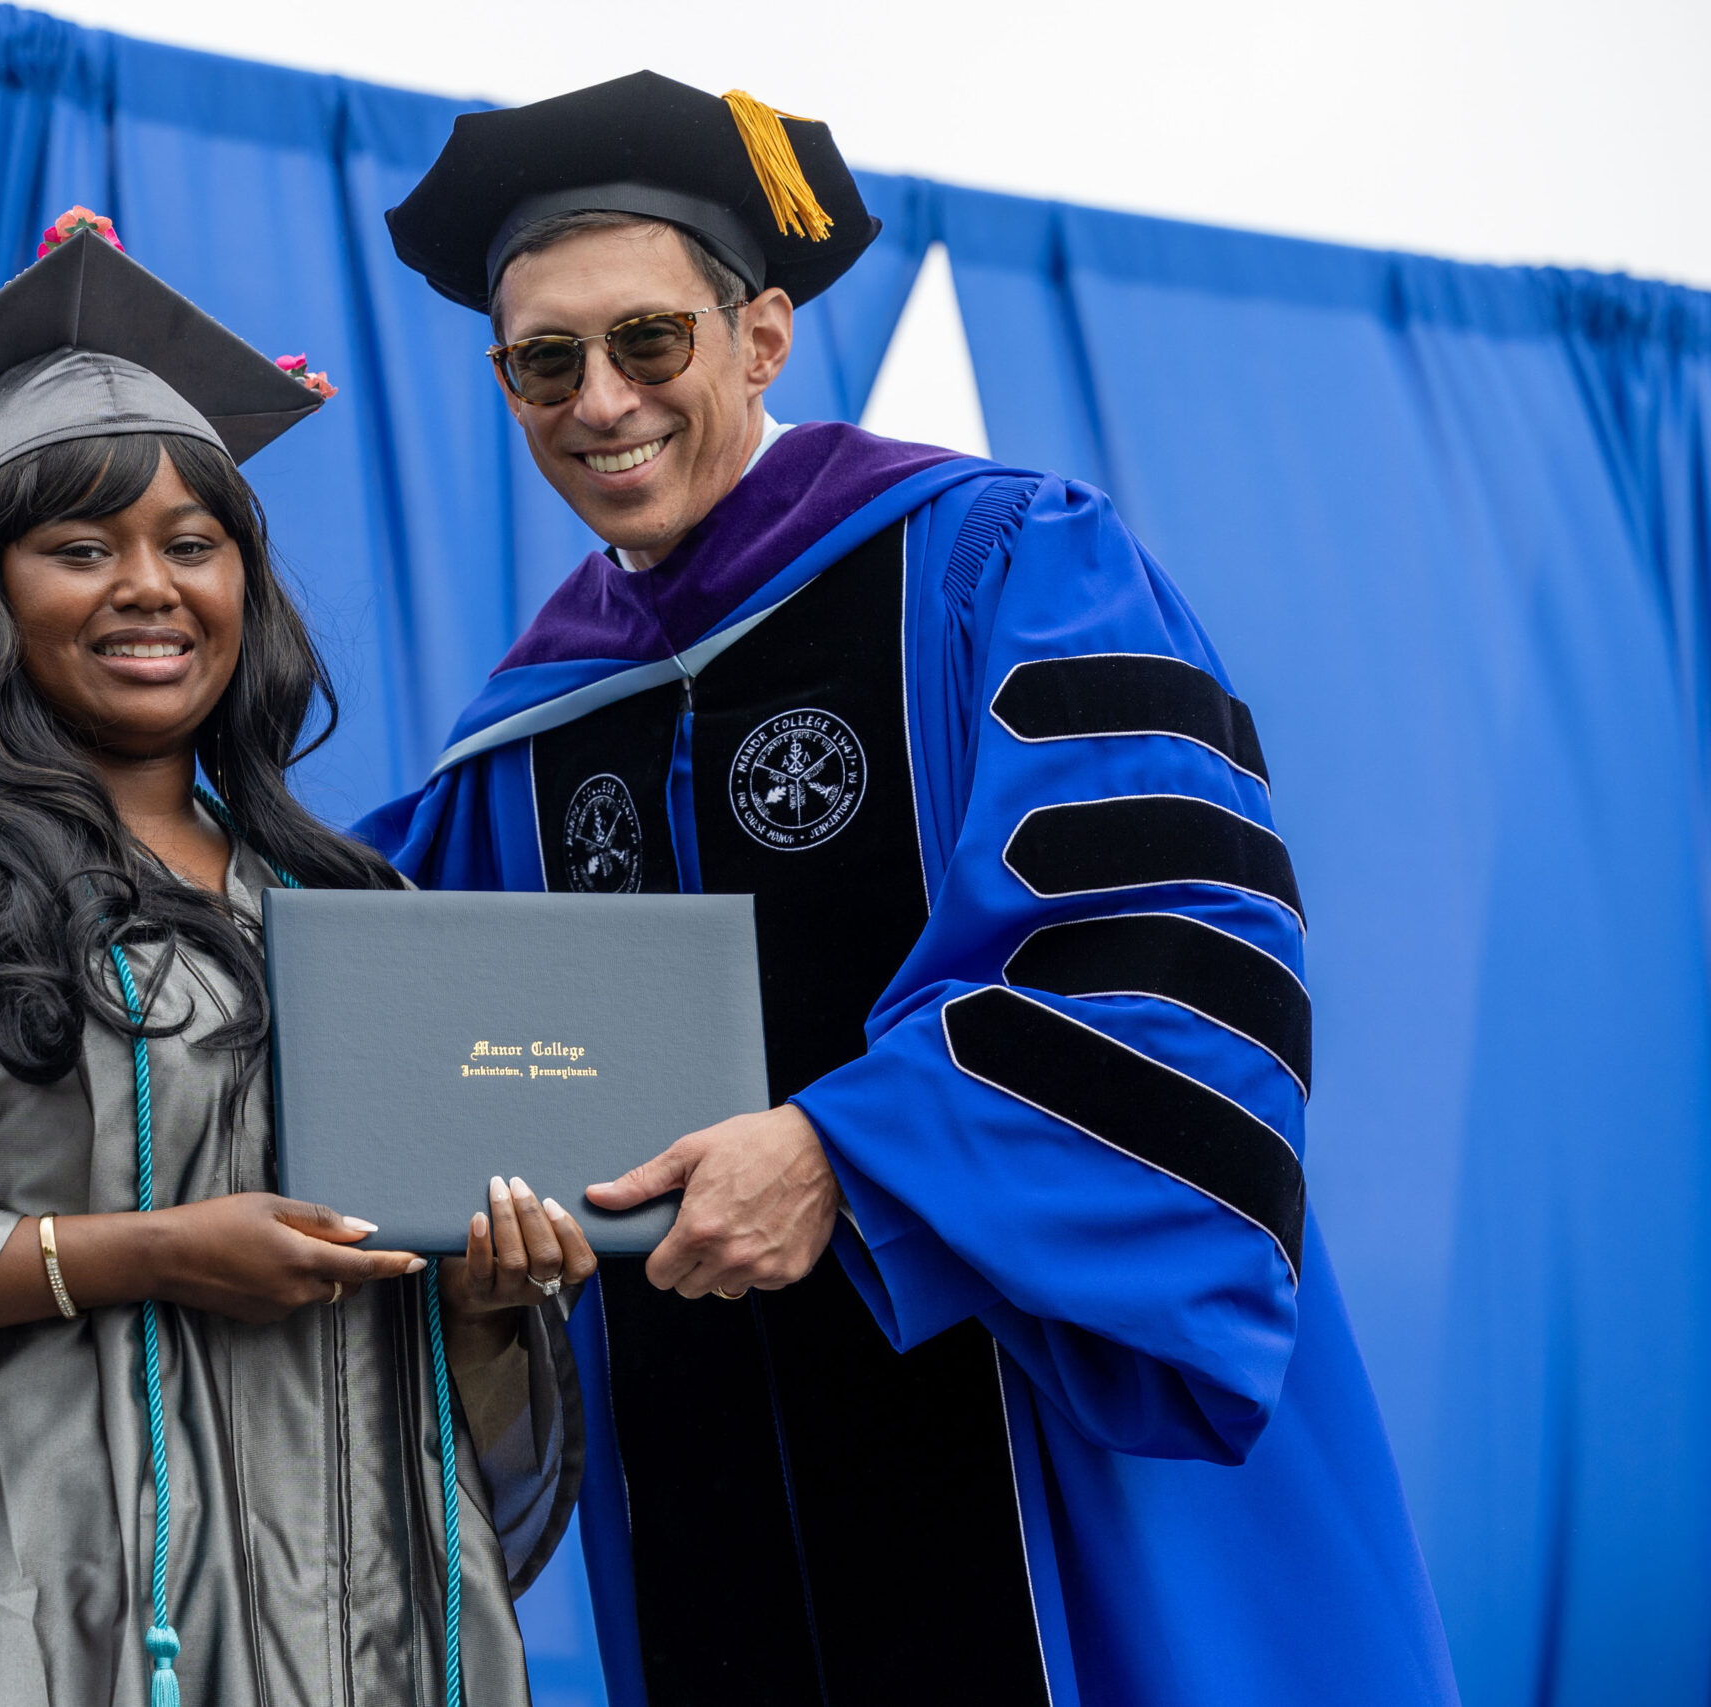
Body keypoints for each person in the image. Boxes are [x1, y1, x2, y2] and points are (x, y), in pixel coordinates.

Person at [363, 74, 1458, 1707]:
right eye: (545, 362)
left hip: (1016, 1423)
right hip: (705, 1457)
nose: (601, 401)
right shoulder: (529, 731)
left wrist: (844, 1152)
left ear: (763, 334)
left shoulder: (1001, 567)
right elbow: (393, 1030)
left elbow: (1166, 943)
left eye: (648, 342)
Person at [0, 212, 598, 1707]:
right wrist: (156, 1255)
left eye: (194, 543)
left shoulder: (341, 902)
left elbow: (436, 1352)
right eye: (78, 548)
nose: (150, 587)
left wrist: (488, 1294)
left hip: (356, 1611)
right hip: (35, 1599)